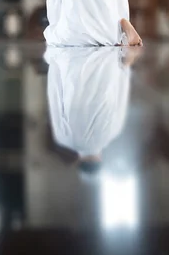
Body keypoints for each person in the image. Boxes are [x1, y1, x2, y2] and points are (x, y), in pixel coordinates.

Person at [45, 46, 140, 176]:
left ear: (100, 160)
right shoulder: (63, 138)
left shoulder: (114, 131)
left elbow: (122, 90)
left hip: (105, 62)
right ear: (79, 161)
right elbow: (55, 96)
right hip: (71, 64)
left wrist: (125, 63)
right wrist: (54, 62)